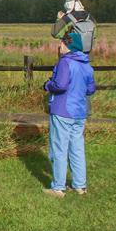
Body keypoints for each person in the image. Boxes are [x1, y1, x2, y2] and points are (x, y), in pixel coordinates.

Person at [43, 32, 96, 198]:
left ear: (67, 45)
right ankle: (80, 186)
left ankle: (58, 187)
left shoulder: (65, 62)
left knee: (59, 148)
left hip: (63, 110)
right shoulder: (86, 65)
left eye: (61, 44)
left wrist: (48, 84)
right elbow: (90, 89)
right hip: (80, 112)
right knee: (77, 148)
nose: (59, 46)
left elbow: (61, 85)